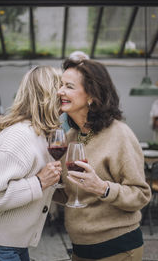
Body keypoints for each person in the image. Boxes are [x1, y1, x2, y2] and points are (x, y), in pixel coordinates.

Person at [57, 58, 151, 261]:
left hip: (117, 250)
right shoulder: (71, 137)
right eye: (60, 85)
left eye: (68, 86)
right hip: (80, 249)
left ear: (91, 95)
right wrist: (43, 185)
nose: (60, 91)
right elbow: (72, 195)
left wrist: (102, 188)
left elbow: (141, 195)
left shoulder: (119, 134)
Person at [0, 65, 62, 261]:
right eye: (62, 87)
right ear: (49, 95)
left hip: (9, 242)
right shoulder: (18, 138)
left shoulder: (40, 134)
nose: (65, 94)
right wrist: (39, 182)